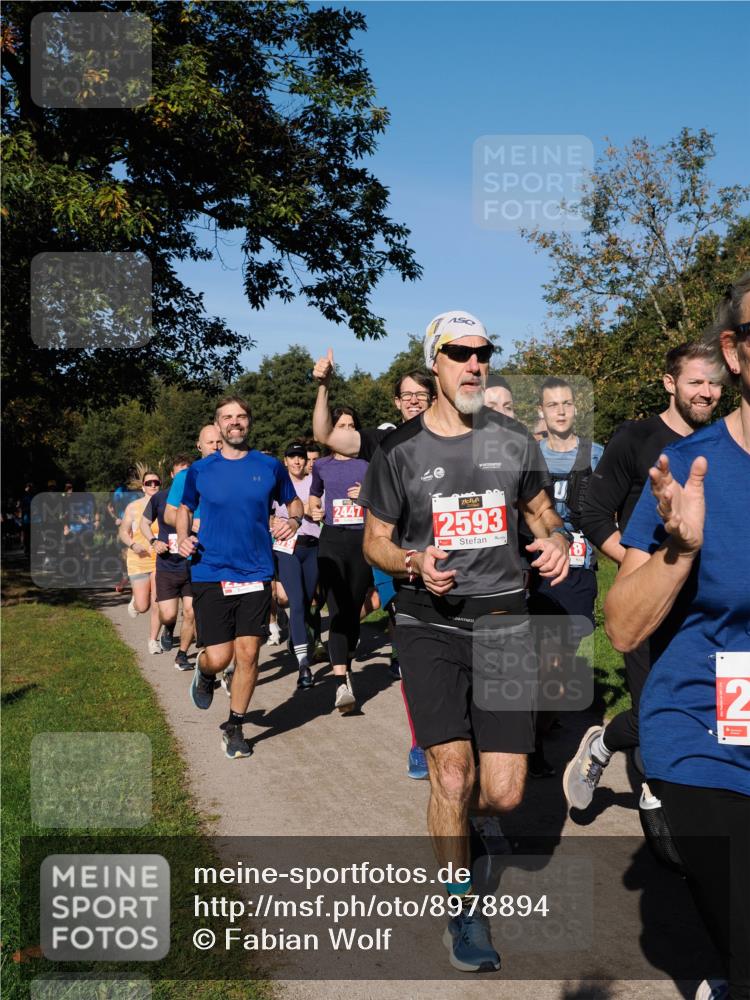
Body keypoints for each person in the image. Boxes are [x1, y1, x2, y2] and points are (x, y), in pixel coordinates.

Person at [360, 309, 569, 973]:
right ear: (436, 363)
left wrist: (558, 541)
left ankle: (455, 817)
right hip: (429, 621)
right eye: (460, 353)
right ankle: (460, 909)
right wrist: (412, 563)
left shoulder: (512, 441)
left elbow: (542, 514)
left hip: (505, 620)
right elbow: (375, 540)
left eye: (483, 353)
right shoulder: (400, 451)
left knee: (504, 793)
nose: (475, 364)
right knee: (452, 770)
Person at [604, 275, 750, 1000]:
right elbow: (624, 625)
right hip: (708, 735)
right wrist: (679, 551)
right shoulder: (694, 470)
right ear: (737, 352)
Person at [565, 343, 723, 809]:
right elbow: (593, 513)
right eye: (696, 382)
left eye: (714, 383)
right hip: (648, 604)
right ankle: (612, 750)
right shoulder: (635, 438)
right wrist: (638, 570)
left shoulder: (723, 445)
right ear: (670, 383)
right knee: (658, 712)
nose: (707, 392)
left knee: (718, 710)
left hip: (709, 602)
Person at [177, 396, 302, 760]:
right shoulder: (201, 470)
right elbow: (184, 508)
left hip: (256, 571)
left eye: (241, 416)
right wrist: (184, 536)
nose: (235, 422)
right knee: (219, 656)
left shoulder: (269, 466)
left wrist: (292, 521)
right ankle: (204, 671)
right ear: (218, 426)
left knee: (248, 654)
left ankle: (234, 726)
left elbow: (293, 502)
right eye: (228, 417)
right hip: (210, 571)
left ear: (249, 422)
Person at [528, 377, 604, 778]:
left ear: (577, 409)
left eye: (567, 403)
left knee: (559, 665)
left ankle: (540, 726)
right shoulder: (527, 457)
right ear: (541, 411)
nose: (560, 410)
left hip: (577, 573)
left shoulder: (597, 456)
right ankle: (532, 738)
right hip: (535, 573)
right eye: (552, 404)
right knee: (541, 661)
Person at [309, 406, 371, 714]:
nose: (345, 430)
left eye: (351, 425)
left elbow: (385, 498)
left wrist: (367, 494)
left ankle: (345, 662)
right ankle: (340, 684)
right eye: (340, 425)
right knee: (336, 610)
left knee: (353, 611)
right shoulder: (321, 465)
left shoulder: (368, 463)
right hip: (331, 540)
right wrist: (315, 510)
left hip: (362, 542)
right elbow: (314, 496)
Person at [272, 442, 321, 689]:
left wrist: (315, 511)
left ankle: (297, 636)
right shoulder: (278, 483)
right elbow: (266, 512)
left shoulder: (315, 481)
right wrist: (274, 522)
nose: (297, 461)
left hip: (313, 546)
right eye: (292, 457)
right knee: (297, 601)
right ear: (286, 461)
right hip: (287, 547)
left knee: (309, 599)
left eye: (300, 457)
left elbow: (322, 508)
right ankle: (304, 665)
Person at [142, 455, 196, 670]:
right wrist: (154, 541)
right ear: (173, 475)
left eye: (188, 472)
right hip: (167, 565)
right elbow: (145, 524)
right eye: (180, 472)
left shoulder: (200, 497)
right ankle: (169, 626)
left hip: (192, 564)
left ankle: (182, 655)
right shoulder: (160, 498)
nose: (184, 476)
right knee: (169, 614)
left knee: (191, 611)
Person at [118, 470, 161, 654]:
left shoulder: (166, 505)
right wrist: (133, 544)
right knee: (143, 606)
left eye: (156, 483)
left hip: (160, 561)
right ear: (143, 487)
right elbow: (122, 532)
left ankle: (153, 640)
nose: (153, 485)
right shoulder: (133, 507)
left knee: (157, 601)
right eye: (149, 483)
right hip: (139, 560)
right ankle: (135, 602)